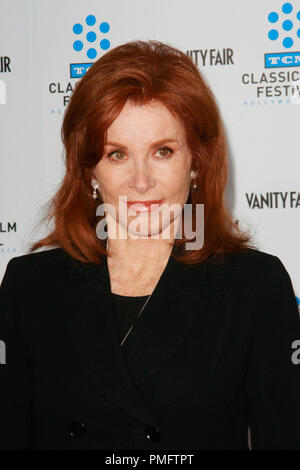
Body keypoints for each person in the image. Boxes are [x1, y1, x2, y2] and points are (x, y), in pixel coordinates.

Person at [0, 40, 300, 450]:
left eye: (162, 151)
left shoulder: (254, 287)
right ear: (89, 170)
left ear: (195, 162)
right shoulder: (28, 287)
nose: (141, 182)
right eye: (117, 154)